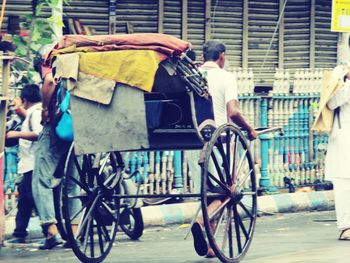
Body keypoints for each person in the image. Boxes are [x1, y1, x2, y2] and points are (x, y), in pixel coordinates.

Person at [190, 40, 257, 258]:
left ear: (203, 57)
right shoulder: (226, 77)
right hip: (219, 141)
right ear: (221, 57)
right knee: (226, 192)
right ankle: (201, 223)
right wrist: (249, 129)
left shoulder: (191, 76)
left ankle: (211, 246)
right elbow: (233, 112)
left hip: (193, 142)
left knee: (211, 193)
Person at [31, 49, 80, 250]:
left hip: (57, 127)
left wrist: (44, 109)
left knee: (40, 178)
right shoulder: (77, 62)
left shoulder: (49, 63)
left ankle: (51, 230)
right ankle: (74, 233)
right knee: (73, 183)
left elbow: (49, 82)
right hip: (79, 128)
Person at [5, 84, 42, 244]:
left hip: (34, 163)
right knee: (26, 200)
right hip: (30, 164)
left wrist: (16, 134)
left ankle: (50, 231)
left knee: (30, 199)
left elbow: (38, 133)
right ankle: (20, 233)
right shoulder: (33, 112)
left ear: (25, 99)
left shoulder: (36, 113)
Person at [324, 68, 350, 241]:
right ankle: (345, 226)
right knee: (343, 182)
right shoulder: (340, 73)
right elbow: (331, 103)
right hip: (344, 137)